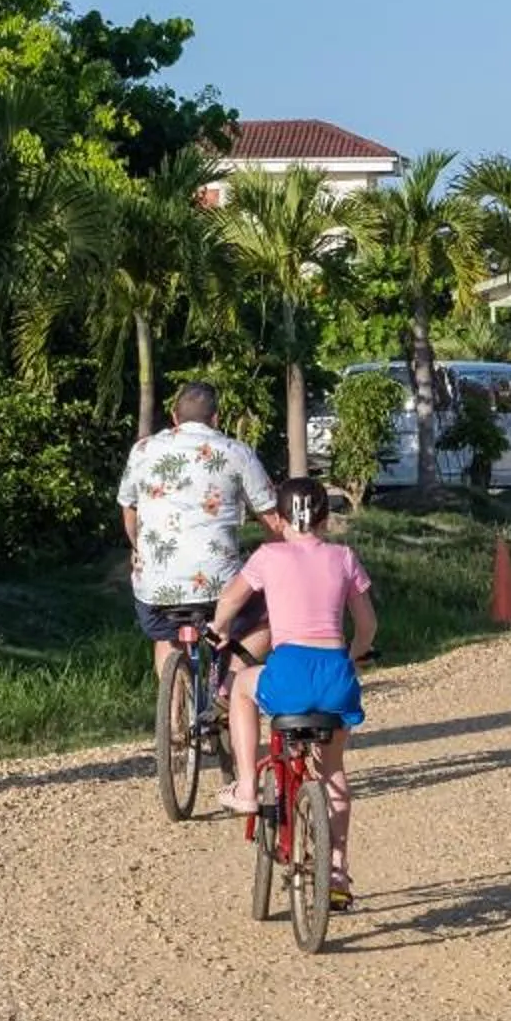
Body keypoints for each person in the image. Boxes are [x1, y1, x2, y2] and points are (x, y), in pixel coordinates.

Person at [206, 476, 376, 908]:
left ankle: (246, 786)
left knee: (242, 689)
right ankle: (336, 870)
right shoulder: (343, 557)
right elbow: (369, 625)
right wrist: (355, 656)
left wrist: (218, 629)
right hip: (335, 676)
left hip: (288, 671)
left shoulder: (268, 556)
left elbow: (230, 601)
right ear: (326, 518)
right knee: (333, 771)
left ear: (280, 519)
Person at [117, 381, 288, 684]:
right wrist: (275, 555)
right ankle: (227, 687)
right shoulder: (236, 452)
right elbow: (271, 519)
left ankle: (172, 718)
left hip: (156, 587)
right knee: (270, 616)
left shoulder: (143, 450)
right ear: (216, 418)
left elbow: (129, 510)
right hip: (219, 584)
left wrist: (138, 549)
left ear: (174, 416)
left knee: (167, 637)